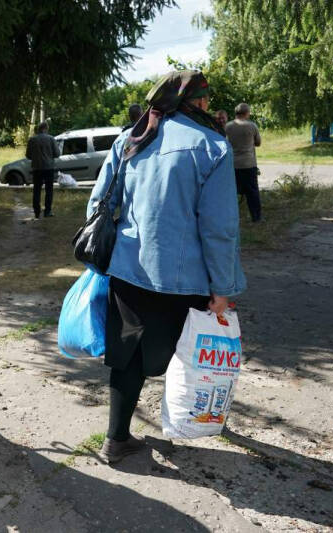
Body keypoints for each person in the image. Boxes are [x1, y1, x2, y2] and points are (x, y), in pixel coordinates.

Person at [85, 70, 246, 463]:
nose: (208, 104)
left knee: (129, 355)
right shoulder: (212, 147)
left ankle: (116, 438)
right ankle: (178, 425)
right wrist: (222, 288)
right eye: (205, 98)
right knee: (182, 353)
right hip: (183, 278)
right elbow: (219, 228)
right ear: (194, 100)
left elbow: (97, 204)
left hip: (126, 268)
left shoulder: (131, 138)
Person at [225, 103, 262, 222]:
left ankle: (230, 217)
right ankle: (256, 217)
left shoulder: (228, 126)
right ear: (246, 113)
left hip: (233, 164)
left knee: (232, 192)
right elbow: (258, 143)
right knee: (252, 192)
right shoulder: (252, 126)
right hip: (248, 164)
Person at [26, 121, 60, 217]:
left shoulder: (32, 140)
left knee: (36, 190)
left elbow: (28, 155)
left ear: (39, 129)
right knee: (49, 190)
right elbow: (57, 154)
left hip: (36, 168)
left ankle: (37, 212)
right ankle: (47, 211)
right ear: (46, 129)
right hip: (49, 168)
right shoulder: (51, 139)